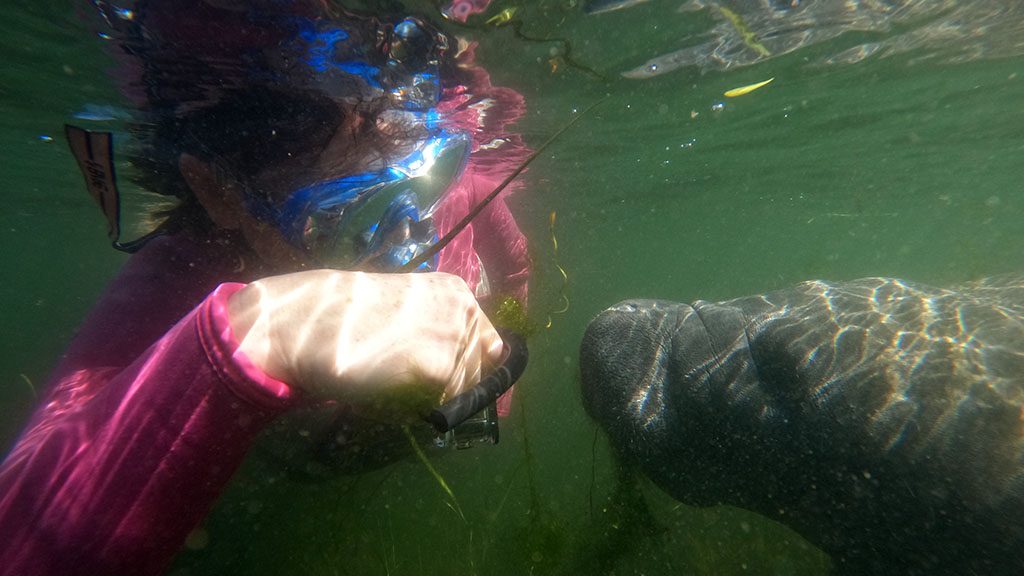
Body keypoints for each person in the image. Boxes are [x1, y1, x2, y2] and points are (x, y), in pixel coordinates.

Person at [0, 1, 532, 574]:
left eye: (426, 176)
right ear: (217, 192)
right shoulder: (183, 275)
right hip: (298, 470)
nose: (404, 229)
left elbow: (518, 267)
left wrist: (498, 389)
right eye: (353, 215)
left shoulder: (460, 188)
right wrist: (262, 335)